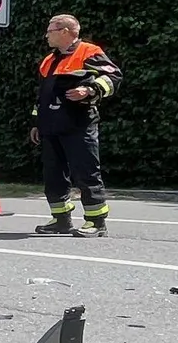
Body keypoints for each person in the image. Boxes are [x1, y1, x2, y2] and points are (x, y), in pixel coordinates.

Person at [27, 13, 124, 237]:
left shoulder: (88, 51)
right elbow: (42, 96)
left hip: (79, 122)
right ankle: (61, 220)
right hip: (50, 125)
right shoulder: (48, 60)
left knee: (86, 172)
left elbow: (113, 77)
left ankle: (96, 222)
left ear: (65, 31)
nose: (46, 35)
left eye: (50, 30)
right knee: (53, 174)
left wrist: (90, 90)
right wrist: (36, 122)